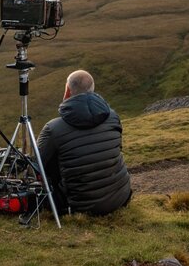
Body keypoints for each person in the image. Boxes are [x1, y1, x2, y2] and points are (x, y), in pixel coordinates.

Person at [37, 70, 131, 215]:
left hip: (80, 206)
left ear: (67, 91)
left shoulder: (53, 128)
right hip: (120, 197)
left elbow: (37, 165)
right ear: (92, 90)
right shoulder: (113, 116)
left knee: (46, 164)